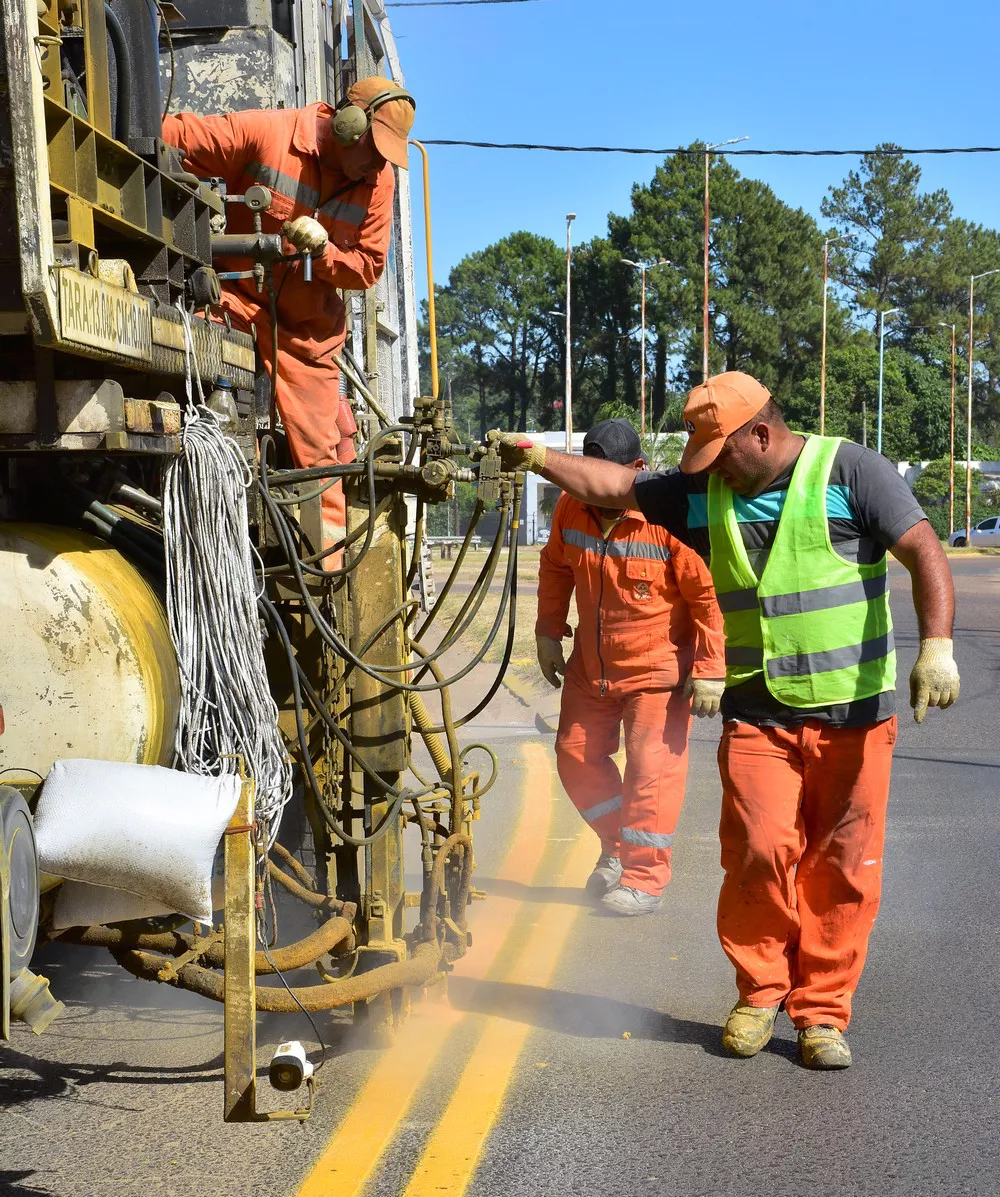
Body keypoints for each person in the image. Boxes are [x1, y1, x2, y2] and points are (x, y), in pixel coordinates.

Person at [491, 371, 960, 1069]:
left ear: (761, 434)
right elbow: (612, 487)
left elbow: (923, 549)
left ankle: (822, 1013)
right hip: (758, 715)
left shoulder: (852, 470)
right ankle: (760, 990)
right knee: (757, 852)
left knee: (840, 868)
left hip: (853, 716)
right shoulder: (705, 494)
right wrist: (535, 455)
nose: (710, 473)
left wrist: (939, 645)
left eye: (721, 456)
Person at [162, 78, 416, 563]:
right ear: (347, 125)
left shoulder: (378, 183)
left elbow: (367, 268)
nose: (380, 163)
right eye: (375, 148)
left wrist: (322, 252)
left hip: (307, 335)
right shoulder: (269, 133)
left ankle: (327, 584)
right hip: (234, 304)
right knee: (204, 424)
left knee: (322, 467)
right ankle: (211, 545)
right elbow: (174, 137)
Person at [536, 419, 726, 916]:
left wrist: (709, 666)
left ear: (635, 471)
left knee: (650, 773)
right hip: (590, 669)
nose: (595, 491)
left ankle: (644, 877)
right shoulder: (570, 506)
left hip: (655, 673)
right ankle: (618, 849)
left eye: (608, 479)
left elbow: (707, 597)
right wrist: (547, 632)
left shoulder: (667, 516)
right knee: (574, 758)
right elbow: (556, 567)